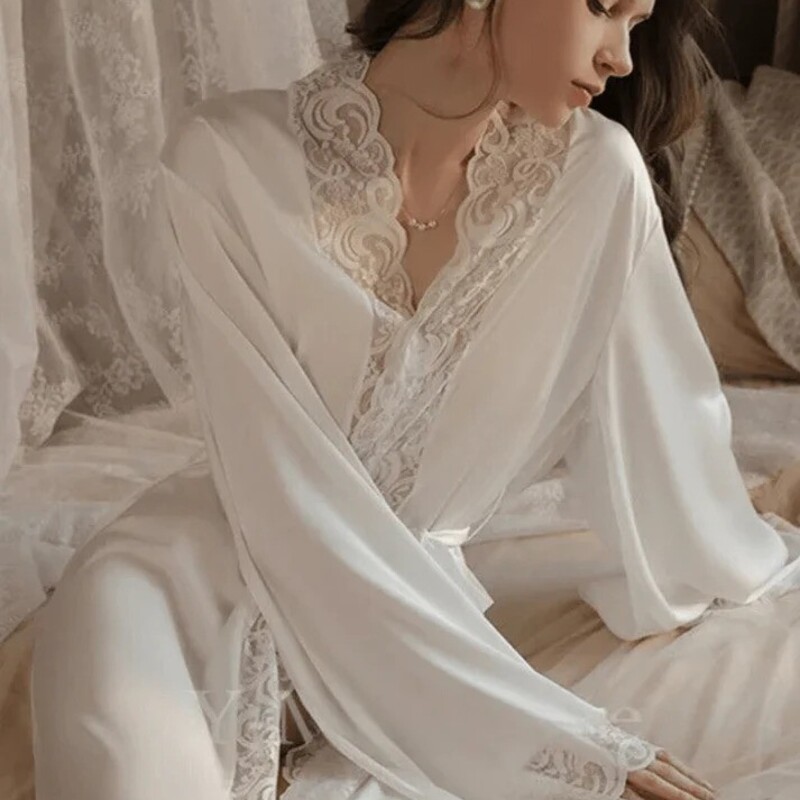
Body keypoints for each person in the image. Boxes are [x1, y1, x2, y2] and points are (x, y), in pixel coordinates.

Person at [30, 1, 800, 799]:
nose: (622, 59)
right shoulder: (224, 159)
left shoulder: (597, 180)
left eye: (636, 26)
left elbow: (664, 443)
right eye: (603, 8)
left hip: (416, 612)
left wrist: (746, 548)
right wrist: (549, 733)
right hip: (174, 588)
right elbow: (278, 475)